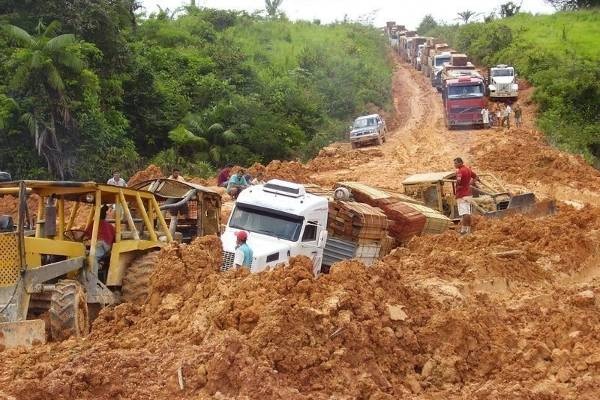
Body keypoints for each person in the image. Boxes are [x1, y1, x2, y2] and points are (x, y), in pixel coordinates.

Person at [85, 205, 115, 272]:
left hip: (102, 245)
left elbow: (86, 235)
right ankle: (99, 264)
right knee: (87, 254)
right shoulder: (110, 226)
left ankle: (93, 279)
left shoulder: (94, 224)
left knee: (92, 257)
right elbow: (114, 238)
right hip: (104, 245)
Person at [454, 157, 480, 235]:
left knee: (464, 213)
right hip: (468, 194)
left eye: (455, 163)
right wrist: (470, 184)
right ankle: (467, 229)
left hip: (461, 194)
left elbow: (458, 182)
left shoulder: (460, 171)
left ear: (460, 163)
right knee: (467, 212)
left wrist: (458, 185)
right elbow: (476, 177)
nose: (454, 165)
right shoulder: (468, 169)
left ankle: (464, 230)